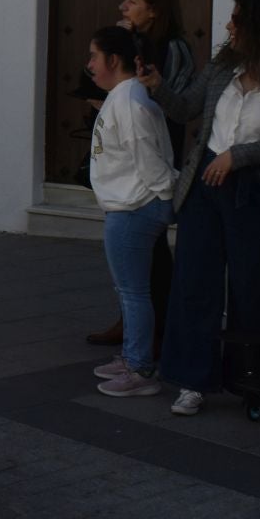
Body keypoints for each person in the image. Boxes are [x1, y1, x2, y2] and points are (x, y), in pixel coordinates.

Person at [144, 0, 260, 417]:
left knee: (254, 289)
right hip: (204, 184)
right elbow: (186, 109)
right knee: (194, 283)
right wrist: (157, 87)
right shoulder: (224, 66)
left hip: (258, 191)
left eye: (236, 19)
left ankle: (253, 384)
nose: (228, 26)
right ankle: (192, 381)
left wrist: (236, 156)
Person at [89, 0, 197, 348]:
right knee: (139, 265)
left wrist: (163, 190)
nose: (124, 6)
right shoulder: (142, 43)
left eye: (133, 1)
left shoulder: (172, 50)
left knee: (149, 260)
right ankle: (139, 328)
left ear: (155, 10)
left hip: (147, 177)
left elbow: (163, 111)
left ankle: (150, 338)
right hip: (135, 173)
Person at [83, 26, 176, 397]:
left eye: (93, 56)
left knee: (133, 292)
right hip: (129, 205)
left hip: (134, 207)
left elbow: (148, 158)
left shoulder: (130, 100)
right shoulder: (123, 96)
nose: (89, 64)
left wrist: (162, 198)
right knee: (130, 292)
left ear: (114, 60)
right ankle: (132, 356)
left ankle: (140, 370)